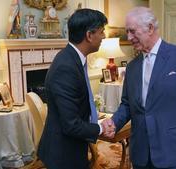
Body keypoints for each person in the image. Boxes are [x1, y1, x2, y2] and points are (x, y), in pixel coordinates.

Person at [102, 7, 176, 169]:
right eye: (127, 32)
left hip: (172, 148)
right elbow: (127, 104)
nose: (129, 37)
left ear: (150, 28)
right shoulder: (132, 67)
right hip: (141, 150)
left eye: (132, 31)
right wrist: (113, 123)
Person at [37, 8, 107, 169]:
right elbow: (71, 125)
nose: (104, 36)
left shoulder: (72, 58)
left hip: (71, 147)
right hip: (63, 154)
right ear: (89, 35)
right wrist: (100, 128)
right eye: (101, 32)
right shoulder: (66, 67)